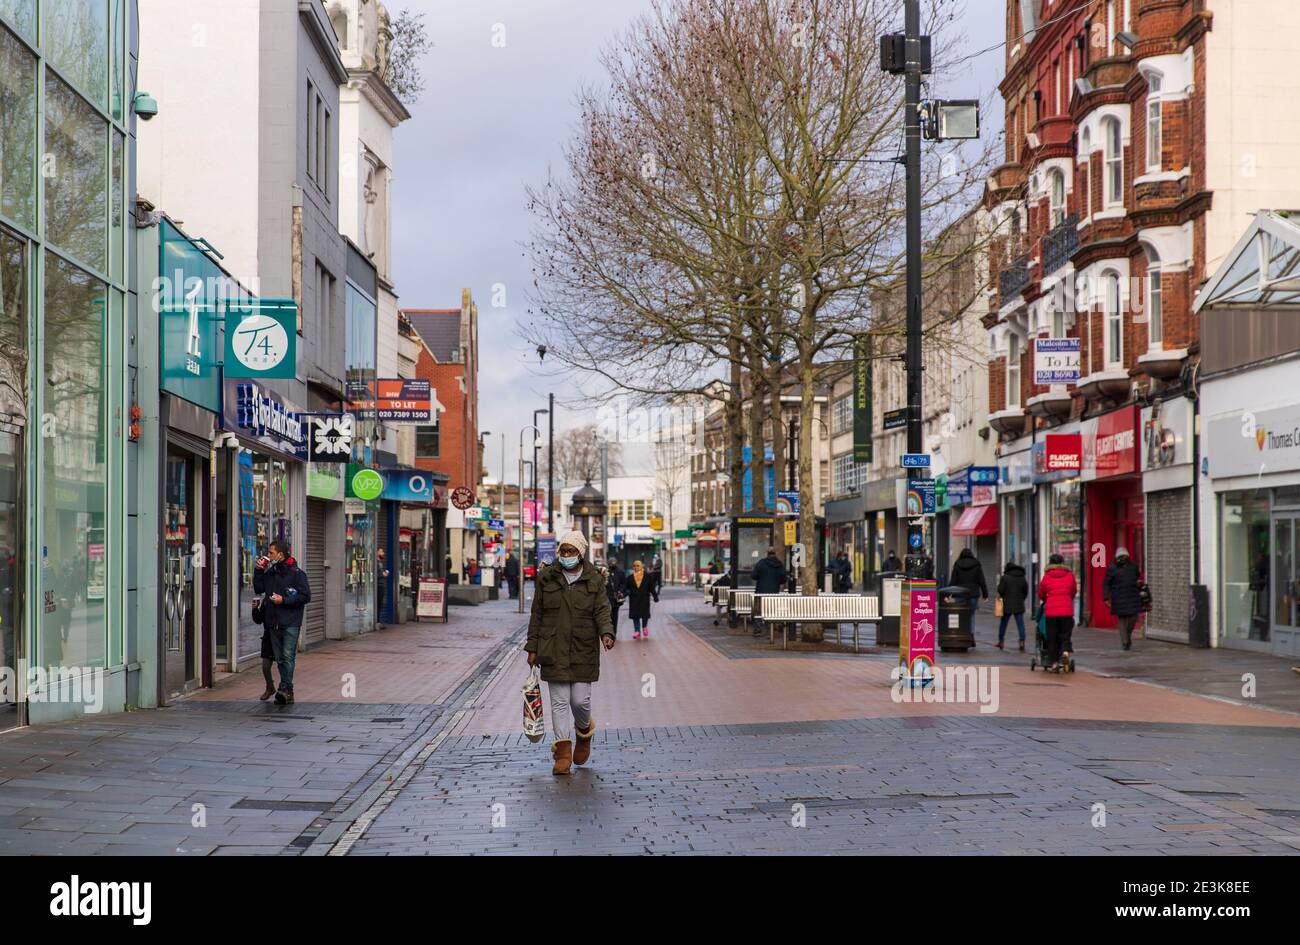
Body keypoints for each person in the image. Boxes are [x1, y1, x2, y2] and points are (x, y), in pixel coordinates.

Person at [525, 530, 615, 776]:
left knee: (580, 700)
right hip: (552, 647)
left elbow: (602, 610)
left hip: (583, 647)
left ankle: (583, 733)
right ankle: (562, 753)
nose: (566, 555)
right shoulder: (547, 578)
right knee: (560, 702)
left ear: (581, 553)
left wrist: (607, 633)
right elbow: (537, 615)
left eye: (571, 551)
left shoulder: (594, 579)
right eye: (563, 551)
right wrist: (532, 647)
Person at [253, 539, 312, 705]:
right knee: (279, 658)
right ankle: (287, 690)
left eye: (271, 553)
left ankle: (285, 688)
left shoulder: (297, 573)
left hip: (291, 622)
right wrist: (258, 570)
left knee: (288, 656)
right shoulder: (271, 572)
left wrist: (284, 600)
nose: (268, 555)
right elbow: (259, 588)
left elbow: (305, 596)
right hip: (273, 622)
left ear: (281, 554)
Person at [1037, 553, 1077, 673]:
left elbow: (1041, 593)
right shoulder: (1070, 575)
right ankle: (1065, 652)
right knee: (1065, 634)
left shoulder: (1047, 576)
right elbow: (1074, 591)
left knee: (1052, 637)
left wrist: (1046, 600)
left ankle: (1054, 663)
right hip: (1066, 611)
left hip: (1051, 612)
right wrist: (1067, 598)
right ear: (1062, 563)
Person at [1103, 547, 1143, 651]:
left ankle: (1127, 636)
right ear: (1116, 557)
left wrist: (1138, 583)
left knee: (1133, 617)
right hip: (1119, 596)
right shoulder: (1112, 568)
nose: (1122, 558)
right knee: (1122, 619)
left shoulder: (1133, 565)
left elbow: (1138, 576)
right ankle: (1125, 642)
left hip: (1132, 595)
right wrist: (1106, 597)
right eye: (1120, 557)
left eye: (1124, 556)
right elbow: (1107, 583)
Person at [949, 548, 988, 644]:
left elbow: (953, 580)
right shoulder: (976, 565)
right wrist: (985, 594)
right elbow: (981, 581)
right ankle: (970, 635)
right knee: (971, 615)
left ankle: (960, 635)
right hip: (973, 594)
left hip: (959, 594)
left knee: (960, 614)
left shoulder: (957, 564)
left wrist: (948, 593)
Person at [752, 545, 788, 637]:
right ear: (775, 553)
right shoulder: (779, 564)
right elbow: (783, 579)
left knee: (759, 611)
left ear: (767, 553)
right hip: (774, 592)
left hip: (761, 591)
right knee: (771, 610)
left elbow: (753, 575)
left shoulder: (761, 563)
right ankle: (770, 629)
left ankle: (758, 629)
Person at [995, 560, 1029, 651]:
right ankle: (1022, 641)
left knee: (1003, 624)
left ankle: (1001, 641)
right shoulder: (1022, 577)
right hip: (1019, 604)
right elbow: (1026, 591)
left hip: (1007, 605)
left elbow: (1000, 590)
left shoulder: (1005, 577)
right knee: (1020, 624)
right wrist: (1022, 599)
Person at [627, 559, 654, 639]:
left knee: (644, 614)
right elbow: (626, 587)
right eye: (634, 566)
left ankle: (644, 627)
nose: (636, 567)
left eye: (637, 565)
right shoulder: (630, 577)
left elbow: (651, 587)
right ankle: (637, 631)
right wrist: (622, 593)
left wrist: (655, 596)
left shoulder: (647, 576)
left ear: (641, 566)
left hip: (644, 599)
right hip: (634, 599)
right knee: (635, 616)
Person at [605, 559, 627, 635]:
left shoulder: (620, 572)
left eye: (614, 562)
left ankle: (614, 632)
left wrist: (620, 591)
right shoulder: (606, 572)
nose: (612, 564)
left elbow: (624, 583)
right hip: (607, 597)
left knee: (615, 615)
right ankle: (610, 632)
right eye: (611, 563)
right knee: (608, 615)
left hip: (616, 598)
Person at [376, 546, 390, 627]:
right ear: (377, 552)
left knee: (380, 604)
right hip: (378, 586)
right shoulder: (376, 562)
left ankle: (379, 621)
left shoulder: (380, 562)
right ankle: (377, 621)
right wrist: (383, 574)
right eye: (381, 551)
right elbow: (375, 574)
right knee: (378, 604)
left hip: (381, 585)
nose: (383, 553)